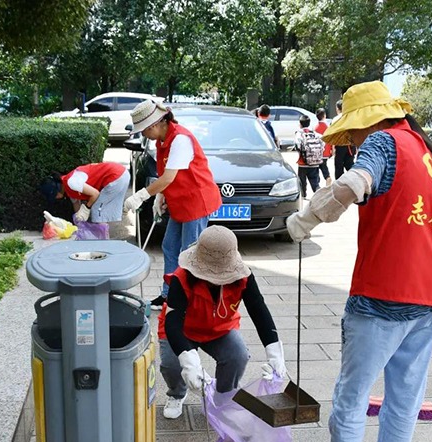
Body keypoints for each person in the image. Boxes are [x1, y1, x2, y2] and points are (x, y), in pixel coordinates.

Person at [286, 80, 432, 442]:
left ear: (369, 121)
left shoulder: (383, 143)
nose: (350, 140)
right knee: (405, 393)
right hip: (429, 299)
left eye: (351, 132)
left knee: (352, 392)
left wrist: (306, 218)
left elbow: (353, 184)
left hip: (381, 295)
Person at [157, 225, 287, 419]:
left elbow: (259, 311)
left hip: (219, 329)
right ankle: (177, 393)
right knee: (171, 364)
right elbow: (173, 322)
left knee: (238, 355)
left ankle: (224, 397)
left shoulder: (244, 277)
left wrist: (274, 352)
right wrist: (189, 360)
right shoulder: (181, 277)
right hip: (182, 331)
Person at [125, 99, 222, 310]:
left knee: (190, 253)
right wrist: (162, 197)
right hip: (180, 201)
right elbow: (168, 176)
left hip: (196, 201)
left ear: (154, 125)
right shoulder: (162, 141)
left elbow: (168, 177)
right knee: (169, 247)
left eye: (143, 131)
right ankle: (169, 294)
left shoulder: (180, 140)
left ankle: (191, 301)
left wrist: (141, 195)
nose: (143, 135)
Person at [38, 162, 129, 223]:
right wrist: (79, 222)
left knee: (97, 212)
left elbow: (95, 194)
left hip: (116, 176)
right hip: (121, 174)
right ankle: (102, 239)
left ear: (56, 189)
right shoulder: (68, 186)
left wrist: (86, 208)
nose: (56, 198)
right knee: (101, 212)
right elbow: (76, 204)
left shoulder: (72, 182)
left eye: (54, 195)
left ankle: (102, 243)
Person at [294, 114, 323, 198]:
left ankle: (303, 196)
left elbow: (298, 145)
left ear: (300, 124)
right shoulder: (314, 133)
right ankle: (319, 194)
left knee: (302, 181)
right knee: (315, 181)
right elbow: (322, 144)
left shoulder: (299, 133)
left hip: (303, 163)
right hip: (315, 161)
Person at [332, 100, 357, 179]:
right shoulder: (351, 117)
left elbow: (333, 134)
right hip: (351, 145)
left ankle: (340, 183)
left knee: (339, 165)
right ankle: (355, 179)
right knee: (349, 164)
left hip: (340, 144)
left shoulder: (336, 119)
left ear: (337, 108)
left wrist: (332, 148)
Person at [315, 108, 333, 186]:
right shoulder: (327, 127)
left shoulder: (315, 128)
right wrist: (332, 149)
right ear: (324, 116)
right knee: (323, 165)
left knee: (317, 167)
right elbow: (331, 140)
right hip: (326, 151)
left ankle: (318, 181)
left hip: (317, 152)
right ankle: (327, 177)